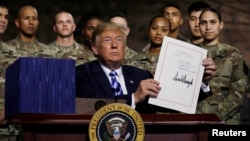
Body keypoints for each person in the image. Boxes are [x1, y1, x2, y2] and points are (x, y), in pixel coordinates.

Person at [76, 22, 162, 113]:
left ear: (124, 47)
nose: (114, 45)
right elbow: (89, 107)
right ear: (95, 48)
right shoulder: (81, 74)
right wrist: (133, 98)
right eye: (107, 40)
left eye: (119, 40)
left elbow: (165, 105)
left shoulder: (142, 76)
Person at [196, 7, 248, 124]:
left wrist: (216, 116)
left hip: (225, 122)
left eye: (213, 22)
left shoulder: (234, 54)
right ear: (199, 26)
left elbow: (239, 92)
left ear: (221, 25)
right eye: (203, 23)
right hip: (195, 122)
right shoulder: (191, 53)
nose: (208, 27)